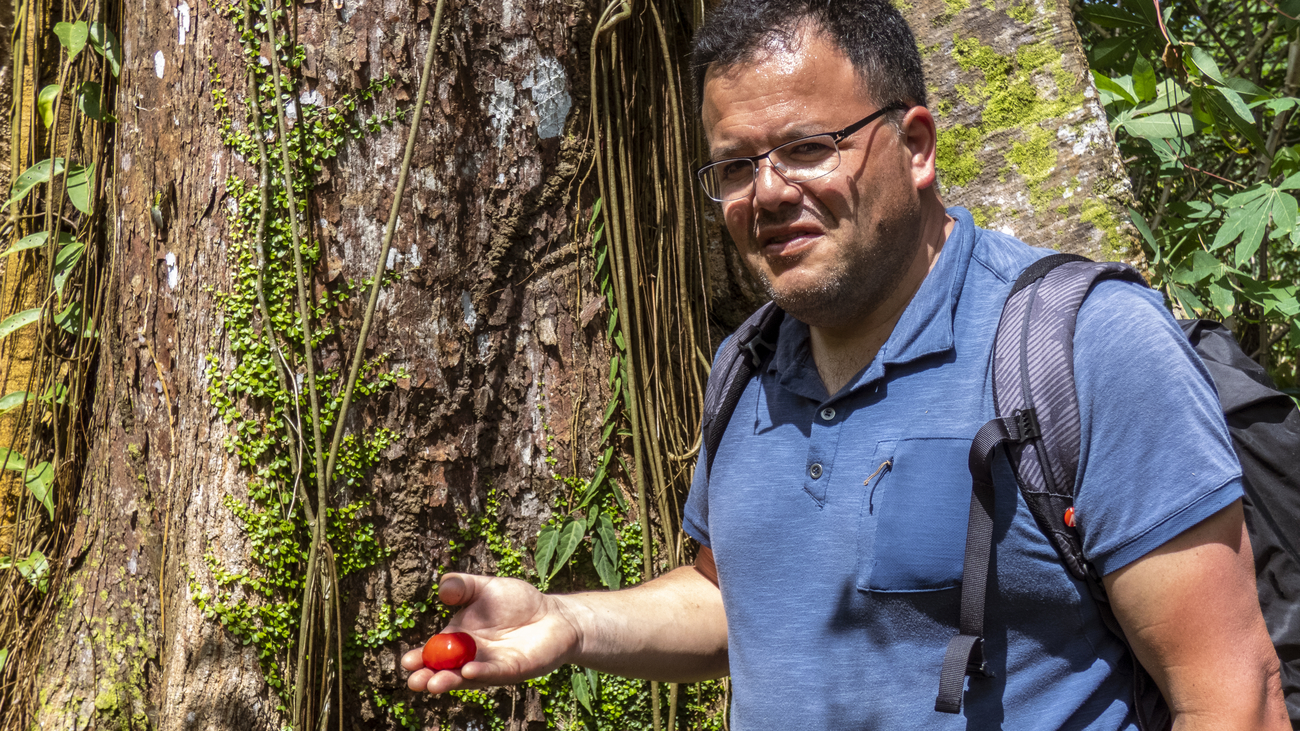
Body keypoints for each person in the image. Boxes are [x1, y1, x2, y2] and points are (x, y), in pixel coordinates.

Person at [403, 0, 1289, 727]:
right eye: (736, 166)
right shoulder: (747, 368)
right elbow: (739, 602)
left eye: (806, 148)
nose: (770, 193)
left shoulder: (1084, 345)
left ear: (917, 146)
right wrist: (567, 619)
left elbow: (1231, 693)